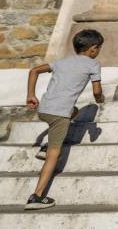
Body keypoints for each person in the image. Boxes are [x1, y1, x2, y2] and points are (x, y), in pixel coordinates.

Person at [24, 29, 105, 210]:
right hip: (60, 115)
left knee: (74, 111)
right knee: (54, 154)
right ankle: (36, 196)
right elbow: (97, 91)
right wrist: (100, 100)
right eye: (99, 48)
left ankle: (45, 145)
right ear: (93, 49)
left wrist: (31, 95)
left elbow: (34, 71)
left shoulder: (62, 61)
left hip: (44, 109)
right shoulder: (93, 64)